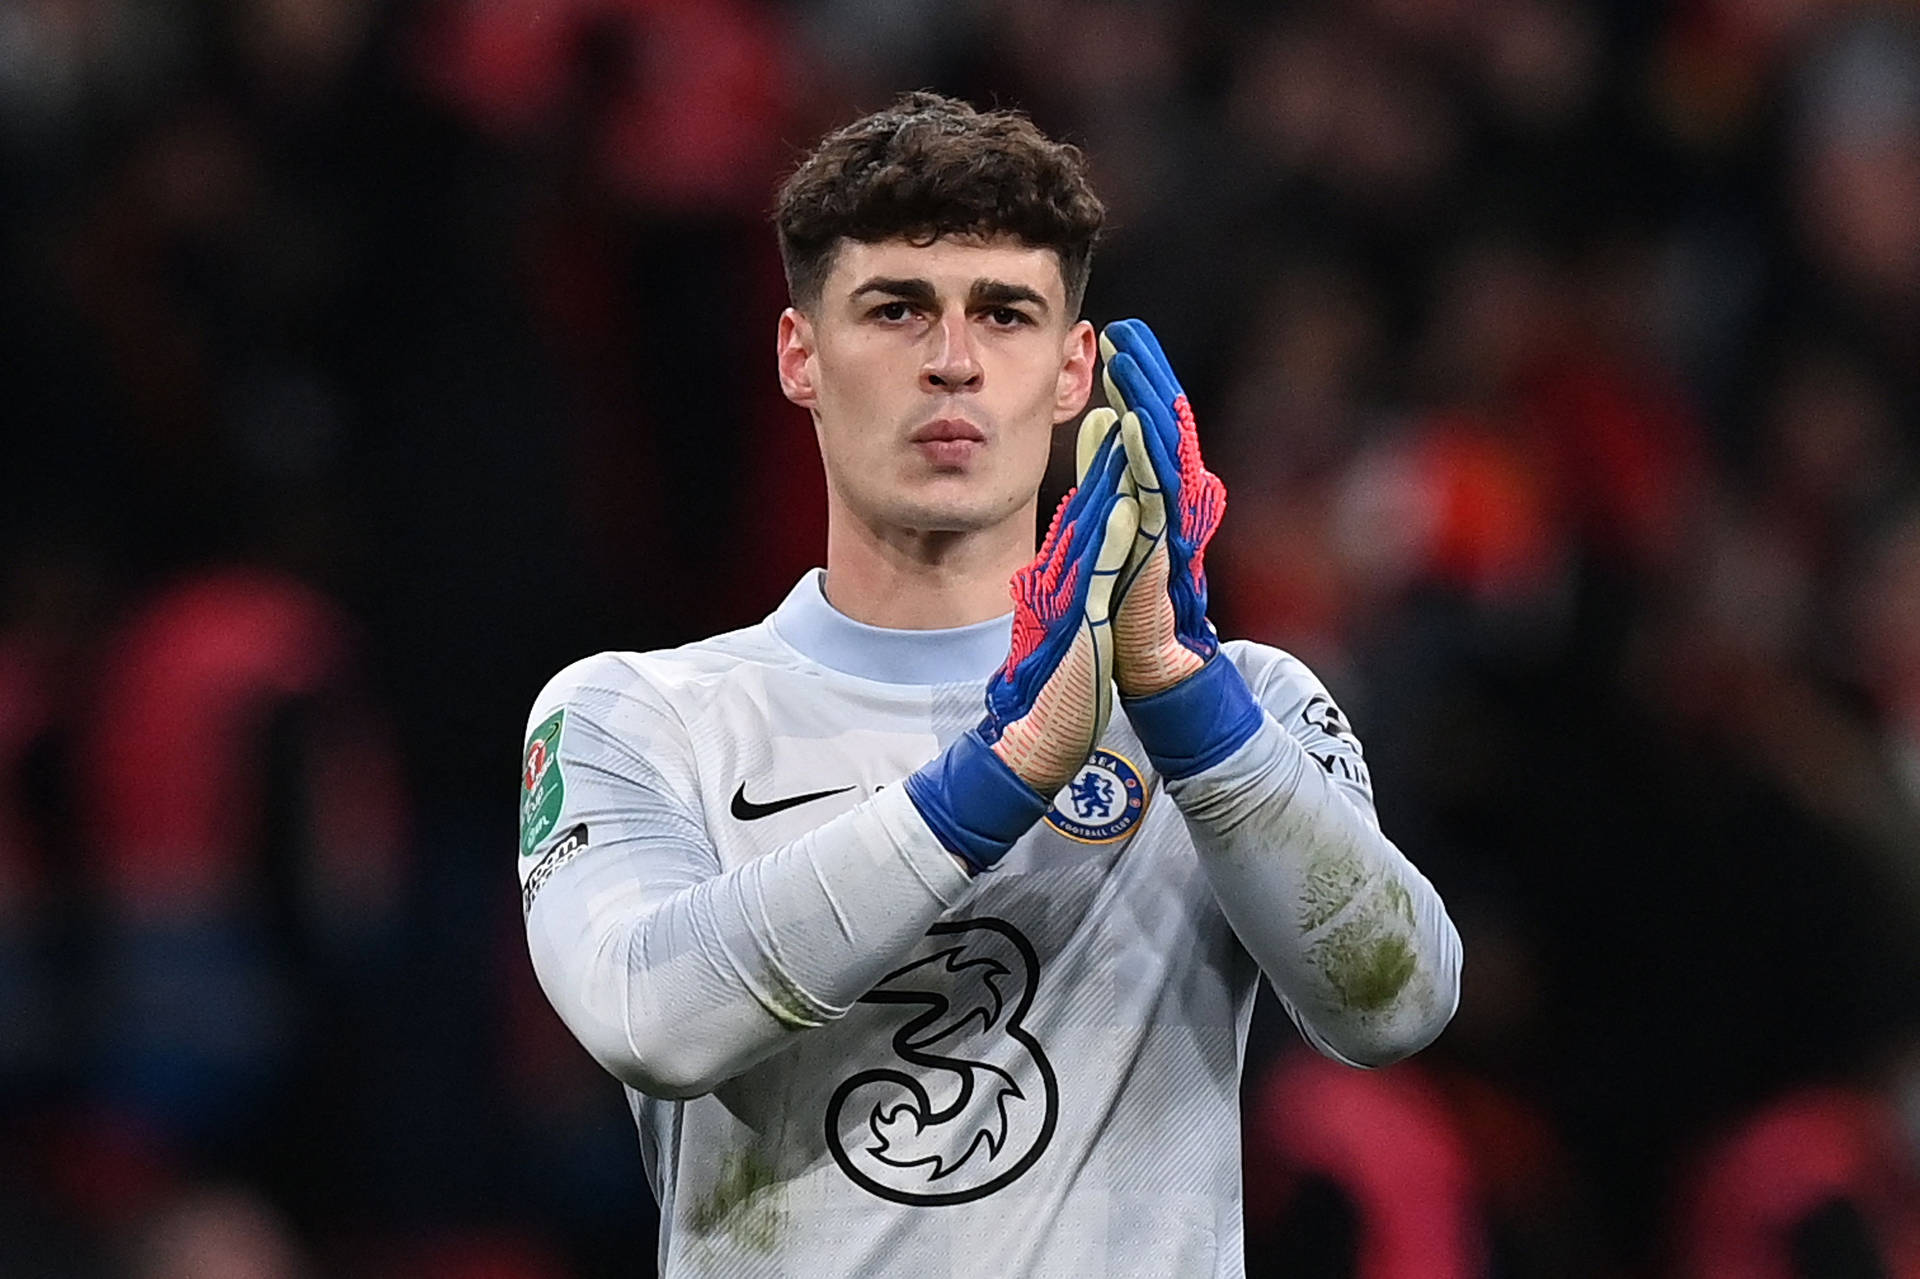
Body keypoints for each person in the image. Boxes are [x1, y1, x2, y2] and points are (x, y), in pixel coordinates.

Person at [518, 91, 1461, 1278]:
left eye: (1004, 313)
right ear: (799, 354)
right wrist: (1000, 775)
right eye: (896, 309)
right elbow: (650, 1018)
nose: (952, 360)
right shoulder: (639, 715)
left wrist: (1184, 699)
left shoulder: (1246, 706)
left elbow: (1396, 1002)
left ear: (1075, 371)